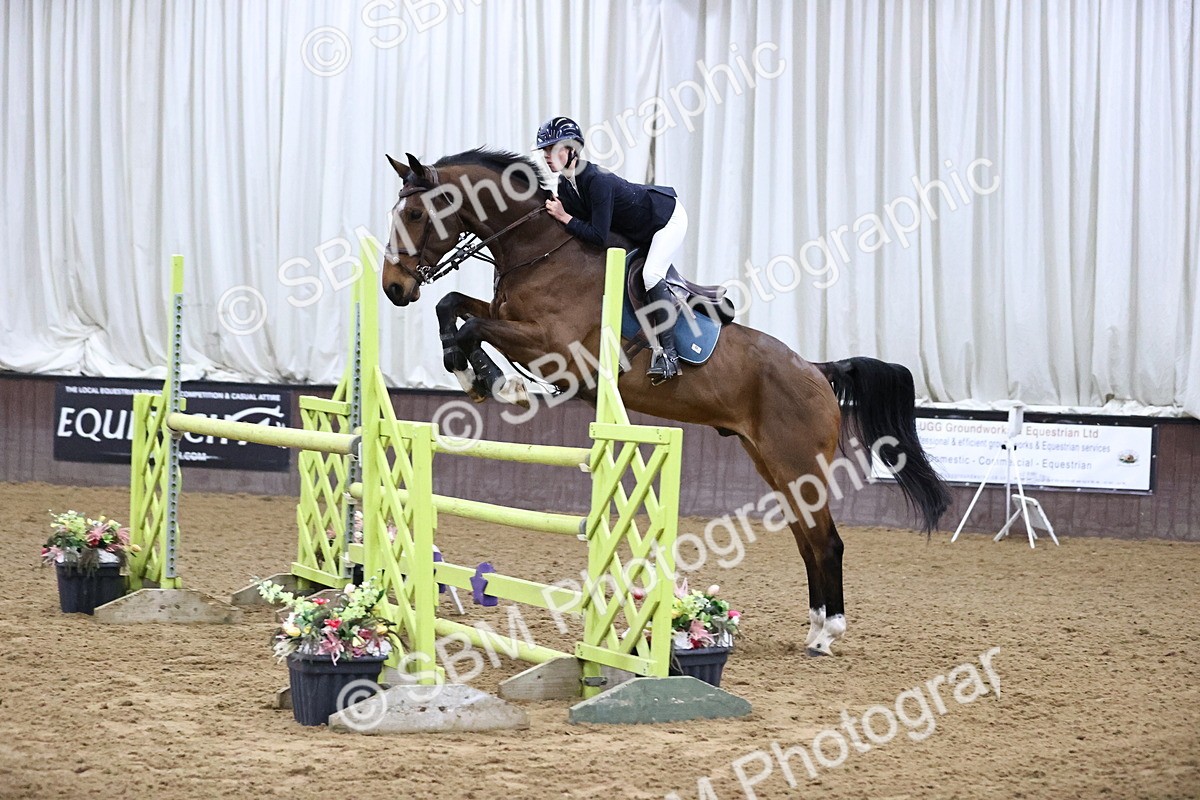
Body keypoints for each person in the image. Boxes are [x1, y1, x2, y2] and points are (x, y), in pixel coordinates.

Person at [534, 116, 687, 382]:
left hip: (665, 219)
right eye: (544, 150)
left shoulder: (596, 180)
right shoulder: (565, 185)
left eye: (553, 148)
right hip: (636, 229)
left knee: (651, 275)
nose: (547, 155)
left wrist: (564, 217)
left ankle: (669, 357)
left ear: (572, 149)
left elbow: (596, 235)